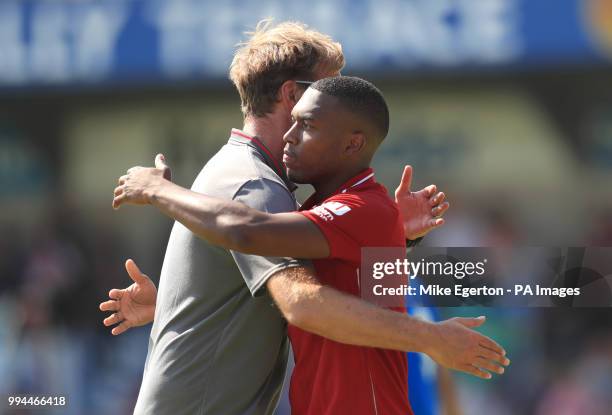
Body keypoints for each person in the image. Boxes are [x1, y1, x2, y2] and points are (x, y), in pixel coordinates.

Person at [111, 76, 509, 414]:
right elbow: (341, 285)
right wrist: (170, 304)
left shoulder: (364, 207)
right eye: (293, 121)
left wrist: (159, 190)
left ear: (352, 145)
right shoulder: (331, 210)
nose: (289, 135)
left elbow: (245, 230)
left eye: (308, 125)